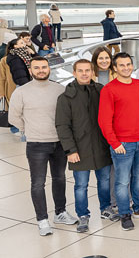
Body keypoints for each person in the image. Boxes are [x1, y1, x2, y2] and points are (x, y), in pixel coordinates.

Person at [9, 57, 78, 236]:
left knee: (60, 178)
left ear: (49, 68)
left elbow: (68, 115)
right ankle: (42, 220)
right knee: (38, 183)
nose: (41, 70)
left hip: (59, 143)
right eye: (37, 68)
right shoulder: (22, 92)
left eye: (44, 67)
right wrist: (28, 130)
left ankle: (60, 213)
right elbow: (13, 117)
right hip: (36, 144)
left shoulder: (59, 89)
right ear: (30, 70)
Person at [98, 53, 139, 231]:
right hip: (122, 144)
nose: (126, 68)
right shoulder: (109, 89)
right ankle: (125, 213)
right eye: (121, 65)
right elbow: (104, 120)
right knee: (122, 181)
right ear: (115, 68)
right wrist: (114, 143)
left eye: (128, 64)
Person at [55, 59, 118, 233]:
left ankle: (106, 208)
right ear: (74, 73)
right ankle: (83, 215)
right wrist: (70, 150)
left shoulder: (101, 91)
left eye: (87, 70)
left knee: (104, 181)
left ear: (93, 72)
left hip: (101, 147)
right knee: (81, 185)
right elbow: (62, 125)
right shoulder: (66, 97)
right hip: (79, 149)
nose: (84, 74)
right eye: (80, 70)